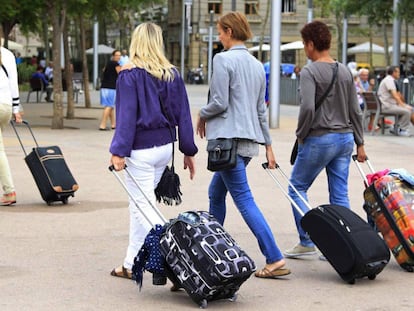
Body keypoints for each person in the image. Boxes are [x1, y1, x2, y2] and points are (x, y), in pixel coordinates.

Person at [196, 12, 290, 279]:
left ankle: (274, 258)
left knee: (244, 200)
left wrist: (201, 114)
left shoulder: (222, 60)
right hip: (247, 145)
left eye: (220, 32)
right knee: (216, 193)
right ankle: (212, 249)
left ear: (228, 31)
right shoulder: (257, 65)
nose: (219, 37)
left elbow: (219, 102)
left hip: (227, 143)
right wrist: (268, 145)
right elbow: (262, 110)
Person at [109, 22, 197, 279]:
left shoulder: (128, 75)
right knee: (139, 205)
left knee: (143, 208)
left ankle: (181, 262)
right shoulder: (172, 74)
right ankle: (129, 263)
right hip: (164, 149)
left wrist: (118, 151)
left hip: (140, 151)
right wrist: (188, 150)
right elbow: (184, 114)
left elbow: (126, 118)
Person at [283, 21, 366, 258]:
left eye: (305, 45)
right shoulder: (344, 71)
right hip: (345, 139)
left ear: (311, 44)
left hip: (320, 138)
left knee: (297, 188)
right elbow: (355, 110)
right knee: (339, 193)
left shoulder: (309, 71)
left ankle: (307, 240)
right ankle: (346, 243)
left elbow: (307, 107)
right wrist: (360, 143)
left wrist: (300, 134)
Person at [0, 46, 23, 205]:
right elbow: (13, 82)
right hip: (6, 106)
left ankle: (9, 191)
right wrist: (16, 109)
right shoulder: (7, 54)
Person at [377, 66, 414, 137]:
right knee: (407, 111)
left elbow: (398, 95)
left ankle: (396, 127)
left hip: (386, 105)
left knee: (410, 109)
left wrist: (403, 105)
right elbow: (395, 95)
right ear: (394, 72)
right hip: (387, 106)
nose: (399, 74)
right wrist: (403, 105)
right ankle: (402, 129)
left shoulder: (389, 80)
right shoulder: (389, 80)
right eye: (398, 72)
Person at [98, 50, 121, 130]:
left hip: (104, 87)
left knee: (110, 106)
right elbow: (120, 74)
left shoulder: (108, 63)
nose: (119, 57)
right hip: (111, 87)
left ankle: (113, 124)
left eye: (119, 55)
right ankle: (102, 125)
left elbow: (104, 70)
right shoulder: (116, 64)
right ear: (113, 56)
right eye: (117, 55)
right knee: (109, 106)